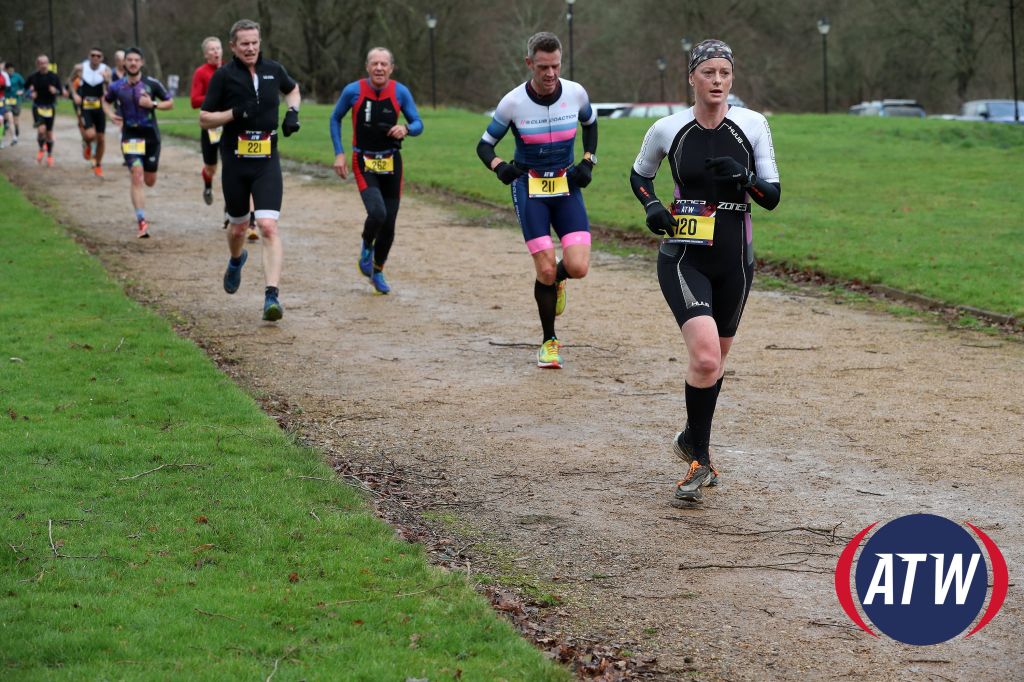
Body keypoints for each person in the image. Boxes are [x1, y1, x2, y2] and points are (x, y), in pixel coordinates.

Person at [629, 39, 780, 503]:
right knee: (707, 358)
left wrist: (746, 177)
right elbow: (639, 175)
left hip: (735, 260)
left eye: (725, 73)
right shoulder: (667, 128)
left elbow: (772, 197)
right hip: (684, 255)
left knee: (714, 364)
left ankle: (692, 441)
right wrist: (652, 205)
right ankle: (700, 460)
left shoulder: (752, 125)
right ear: (692, 77)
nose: (717, 81)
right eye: (709, 72)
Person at [476, 31, 598, 369]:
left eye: (556, 66)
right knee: (544, 269)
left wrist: (588, 160)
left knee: (577, 267)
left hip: (566, 185)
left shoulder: (575, 93)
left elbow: (590, 125)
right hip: (529, 187)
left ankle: (559, 279)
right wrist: (499, 166)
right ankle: (549, 342)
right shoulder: (513, 102)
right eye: (543, 67)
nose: (550, 73)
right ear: (529, 63)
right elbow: (484, 146)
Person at [200, 18, 301, 322]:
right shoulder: (223, 76)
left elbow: (293, 90)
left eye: (255, 42)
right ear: (233, 46)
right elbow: (205, 119)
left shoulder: (274, 69)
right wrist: (233, 113)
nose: (250, 48)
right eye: (244, 43)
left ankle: (272, 296)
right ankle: (236, 259)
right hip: (236, 160)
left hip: (267, 160)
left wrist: (293, 112)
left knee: (268, 226)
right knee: (238, 228)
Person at [330, 47, 423, 295]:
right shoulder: (353, 91)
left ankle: (378, 270)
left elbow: (418, 123)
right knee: (377, 212)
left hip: (391, 161)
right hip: (364, 160)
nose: (379, 68)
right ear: (367, 67)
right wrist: (339, 152)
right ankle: (366, 247)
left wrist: (406, 128)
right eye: (375, 63)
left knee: (389, 224)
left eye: (384, 64)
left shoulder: (400, 92)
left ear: (391, 68)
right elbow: (335, 118)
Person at [103, 47, 173, 238]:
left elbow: (170, 102)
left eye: (136, 60)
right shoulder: (117, 86)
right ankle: (141, 221)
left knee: (150, 180)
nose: (133, 63)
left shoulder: (152, 84)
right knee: (137, 174)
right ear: (124, 63)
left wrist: (153, 104)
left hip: (151, 137)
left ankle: (142, 214)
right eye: (129, 60)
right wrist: (110, 115)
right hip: (130, 136)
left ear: (142, 62)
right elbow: (106, 101)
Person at [75, 48, 111, 176]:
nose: (95, 57)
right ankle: (87, 143)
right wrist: (74, 94)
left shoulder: (106, 69)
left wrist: (106, 80)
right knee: (90, 135)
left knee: (101, 138)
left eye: (98, 56)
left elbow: (111, 88)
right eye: (93, 55)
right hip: (85, 107)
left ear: (102, 58)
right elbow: (69, 80)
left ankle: (98, 164)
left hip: (99, 107)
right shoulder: (80, 68)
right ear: (89, 56)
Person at [25, 55, 63, 166]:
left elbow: (61, 91)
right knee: (41, 130)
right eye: (41, 63)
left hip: (50, 107)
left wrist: (55, 91)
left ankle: (50, 155)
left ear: (48, 63)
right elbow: (24, 89)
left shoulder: (53, 77)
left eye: (45, 63)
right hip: (37, 106)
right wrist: (30, 94)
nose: (43, 65)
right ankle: (41, 148)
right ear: (37, 64)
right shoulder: (33, 77)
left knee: (49, 133)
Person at [4, 62, 26, 145]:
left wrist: (21, 91)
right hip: (6, 100)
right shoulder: (3, 77)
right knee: (9, 116)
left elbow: (24, 86)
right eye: (9, 71)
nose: (11, 72)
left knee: (16, 119)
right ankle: (12, 133)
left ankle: (16, 131)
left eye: (12, 70)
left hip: (16, 100)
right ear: (6, 70)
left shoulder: (18, 77)